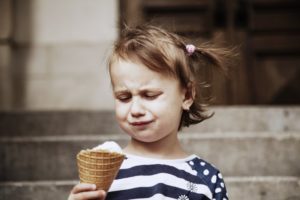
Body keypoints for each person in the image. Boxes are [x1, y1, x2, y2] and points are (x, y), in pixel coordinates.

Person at [68, 24, 235, 200]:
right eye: (124, 97)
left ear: (186, 96)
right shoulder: (108, 176)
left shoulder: (206, 179)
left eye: (149, 95)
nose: (136, 110)